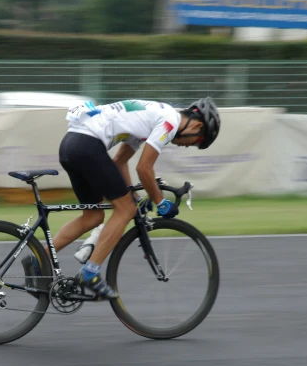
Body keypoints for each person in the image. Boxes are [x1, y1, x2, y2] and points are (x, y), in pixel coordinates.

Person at [22, 97, 221, 299]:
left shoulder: (155, 114)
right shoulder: (170, 121)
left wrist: (135, 196)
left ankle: (40, 258)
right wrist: (161, 202)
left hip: (72, 144)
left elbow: (119, 162)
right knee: (125, 210)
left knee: (93, 217)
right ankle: (90, 273)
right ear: (197, 125)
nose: (189, 146)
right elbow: (144, 168)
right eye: (197, 141)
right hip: (88, 146)